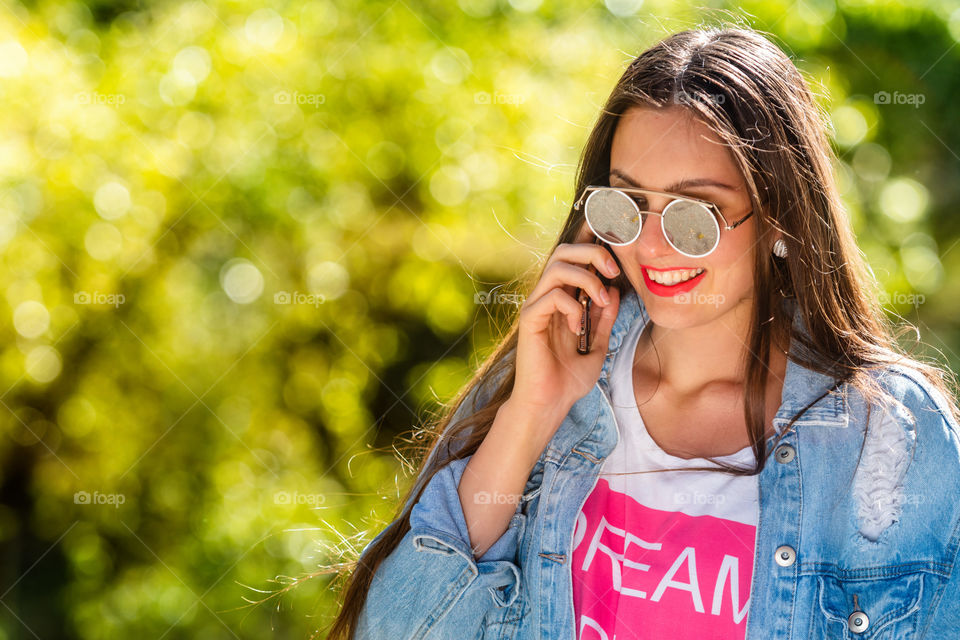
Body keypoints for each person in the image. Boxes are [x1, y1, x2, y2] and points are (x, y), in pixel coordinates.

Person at [325, 26, 960, 640]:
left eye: (696, 214)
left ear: (779, 221)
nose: (652, 246)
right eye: (625, 204)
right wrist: (533, 412)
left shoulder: (890, 434)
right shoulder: (547, 382)